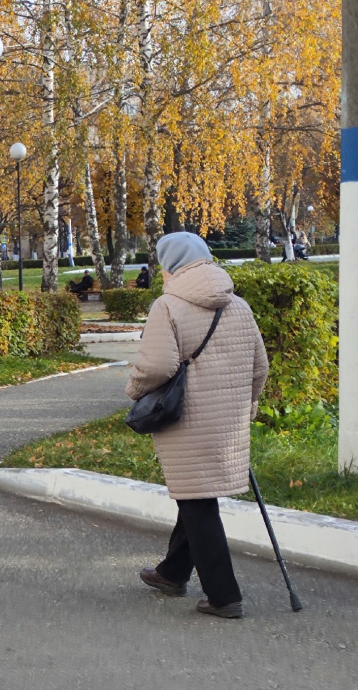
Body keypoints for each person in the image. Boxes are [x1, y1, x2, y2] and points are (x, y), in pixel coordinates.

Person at [126, 232, 269, 619]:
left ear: (168, 264)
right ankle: (172, 573)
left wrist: (134, 389)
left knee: (197, 502)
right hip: (229, 420)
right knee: (197, 495)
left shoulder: (168, 305)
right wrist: (248, 405)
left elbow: (156, 367)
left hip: (186, 419)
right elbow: (261, 367)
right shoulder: (237, 304)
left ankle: (225, 596)